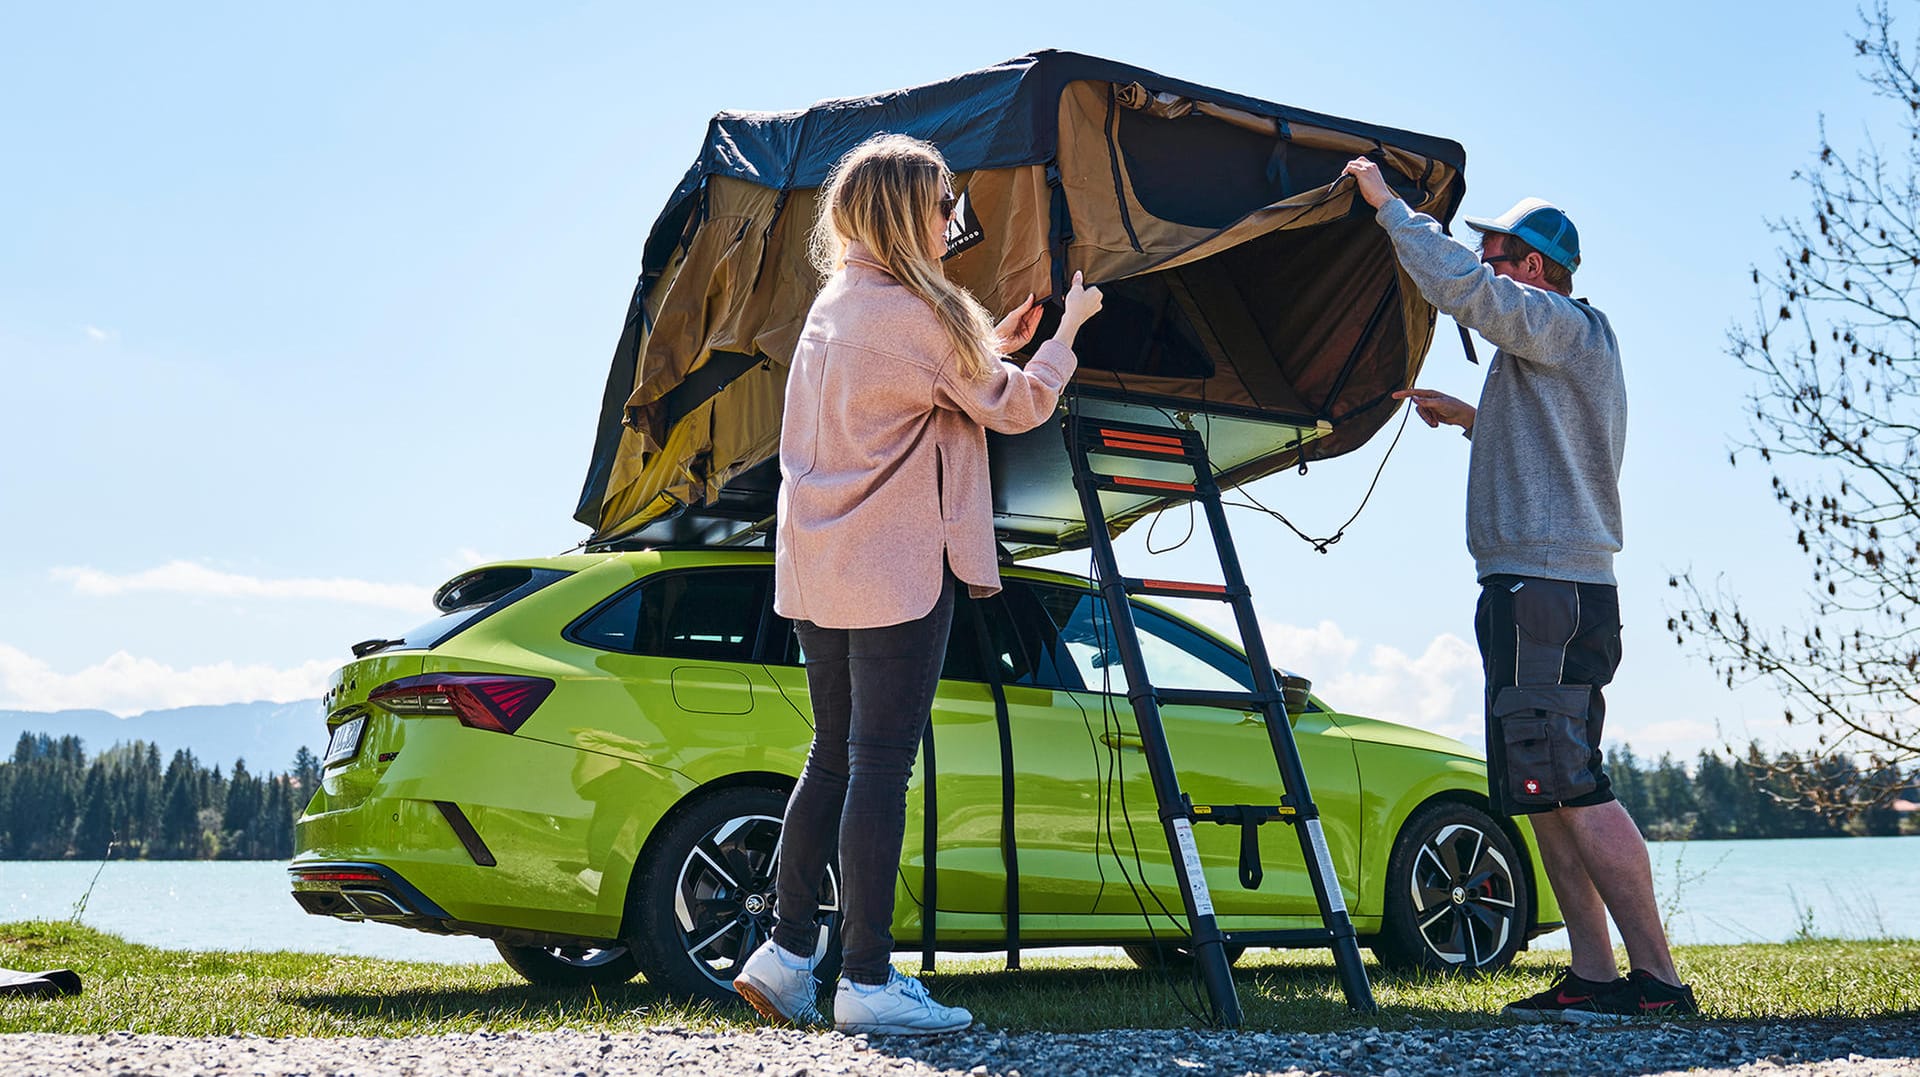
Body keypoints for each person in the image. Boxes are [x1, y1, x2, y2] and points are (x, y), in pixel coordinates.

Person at [733, 133, 1103, 1034]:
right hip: (898, 568)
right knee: (881, 764)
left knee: (833, 753)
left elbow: (945, 380)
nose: (953, 224)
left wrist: (991, 344)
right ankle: (865, 978)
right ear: (909, 212)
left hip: (820, 564)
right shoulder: (916, 316)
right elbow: (1014, 405)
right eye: (946, 207)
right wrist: (1062, 339)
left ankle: (785, 956)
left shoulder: (838, 304)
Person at [1342, 157, 1697, 1023]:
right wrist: (1470, 417)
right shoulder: (1553, 352)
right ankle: (1595, 975)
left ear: (1534, 267)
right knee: (1538, 787)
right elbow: (1554, 457)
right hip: (1530, 588)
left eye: (1498, 253)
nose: (1486, 265)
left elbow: (1465, 290)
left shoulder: (1565, 326)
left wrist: (1389, 209)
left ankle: (1656, 981)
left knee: (1572, 780)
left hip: (1548, 591)